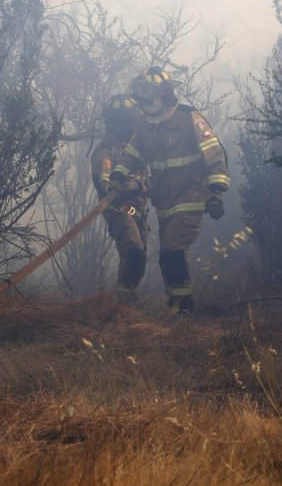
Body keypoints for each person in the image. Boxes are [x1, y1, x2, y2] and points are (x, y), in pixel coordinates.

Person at [110, 67, 229, 315]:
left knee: (172, 249)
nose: (144, 105)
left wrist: (216, 193)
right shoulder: (144, 125)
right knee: (168, 256)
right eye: (141, 100)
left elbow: (215, 154)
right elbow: (131, 154)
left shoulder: (189, 118)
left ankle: (183, 308)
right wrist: (117, 176)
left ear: (164, 95)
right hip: (164, 203)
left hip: (191, 197)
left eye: (148, 98)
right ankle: (177, 305)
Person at [91, 94, 149, 304]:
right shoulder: (106, 151)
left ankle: (125, 301)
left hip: (139, 212)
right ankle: (122, 308)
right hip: (118, 210)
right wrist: (119, 186)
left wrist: (139, 186)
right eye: (128, 122)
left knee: (139, 259)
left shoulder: (137, 150)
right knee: (133, 249)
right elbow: (104, 180)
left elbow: (152, 180)